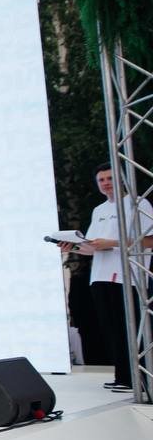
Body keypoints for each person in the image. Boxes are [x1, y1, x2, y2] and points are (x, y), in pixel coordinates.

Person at [66, 162, 153, 392]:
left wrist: (112, 243)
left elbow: (149, 240)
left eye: (109, 178)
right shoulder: (99, 210)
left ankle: (139, 378)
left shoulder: (137, 203)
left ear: (120, 179)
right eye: (101, 180)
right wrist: (72, 246)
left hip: (128, 276)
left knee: (129, 328)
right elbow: (92, 247)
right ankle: (123, 376)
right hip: (100, 276)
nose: (105, 183)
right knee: (110, 329)